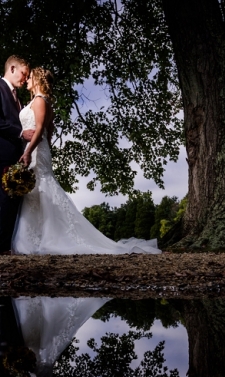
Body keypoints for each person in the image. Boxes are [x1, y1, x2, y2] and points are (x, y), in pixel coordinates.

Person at [12, 67, 161, 255]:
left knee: (42, 188)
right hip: (39, 150)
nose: (26, 80)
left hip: (35, 150)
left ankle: (48, 239)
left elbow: (41, 129)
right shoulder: (42, 102)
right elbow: (50, 133)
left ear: (38, 80)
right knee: (35, 191)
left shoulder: (40, 101)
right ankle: (37, 237)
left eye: (30, 77)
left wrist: (29, 152)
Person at [0, 55, 35, 255]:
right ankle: (2, 248)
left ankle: (0, 247)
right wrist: (20, 133)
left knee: (8, 196)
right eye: (23, 73)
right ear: (12, 68)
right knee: (8, 194)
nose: (25, 79)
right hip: (0, 152)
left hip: (14, 154)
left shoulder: (18, 98)